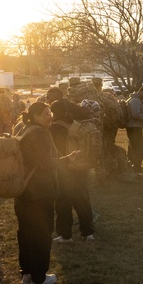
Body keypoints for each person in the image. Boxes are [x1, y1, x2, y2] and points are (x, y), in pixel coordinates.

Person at [15, 101, 80, 284]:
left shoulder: (23, 129)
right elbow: (46, 163)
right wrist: (66, 160)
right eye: (45, 113)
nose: (50, 115)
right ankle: (39, 277)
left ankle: (27, 273)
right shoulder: (41, 133)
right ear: (35, 116)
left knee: (25, 233)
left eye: (50, 111)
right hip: (40, 191)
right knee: (42, 234)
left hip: (23, 190)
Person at [49, 98, 95, 243]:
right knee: (82, 200)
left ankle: (65, 235)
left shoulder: (54, 128)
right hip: (80, 166)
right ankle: (88, 233)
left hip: (64, 168)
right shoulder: (75, 124)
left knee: (63, 201)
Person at [126, 84, 143, 173]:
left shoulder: (133, 99)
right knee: (138, 148)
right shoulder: (136, 100)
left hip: (133, 126)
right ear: (142, 91)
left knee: (133, 147)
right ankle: (136, 166)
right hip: (134, 126)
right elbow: (135, 114)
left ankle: (132, 165)